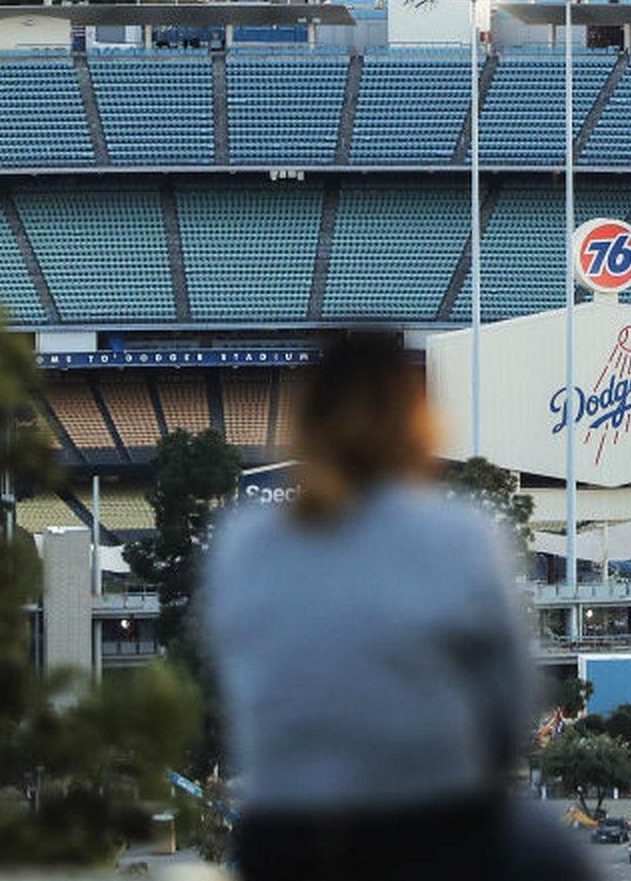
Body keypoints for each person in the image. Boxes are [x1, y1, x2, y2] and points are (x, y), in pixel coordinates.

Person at [202, 332, 580, 881]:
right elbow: (508, 703)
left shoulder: (243, 540)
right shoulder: (458, 534)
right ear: (417, 424)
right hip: (429, 829)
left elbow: (240, 682)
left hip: (286, 836)